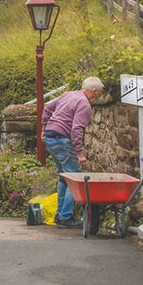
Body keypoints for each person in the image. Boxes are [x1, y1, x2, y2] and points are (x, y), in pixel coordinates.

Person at [41, 76, 105, 228]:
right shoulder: (84, 104)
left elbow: (47, 108)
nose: (100, 95)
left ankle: (59, 214)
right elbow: (76, 129)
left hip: (51, 139)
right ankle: (65, 217)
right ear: (94, 91)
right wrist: (79, 153)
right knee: (75, 178)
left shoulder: (68, 94)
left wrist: (44, 129)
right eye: (100, 92)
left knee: (64, 177)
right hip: (63, 141)